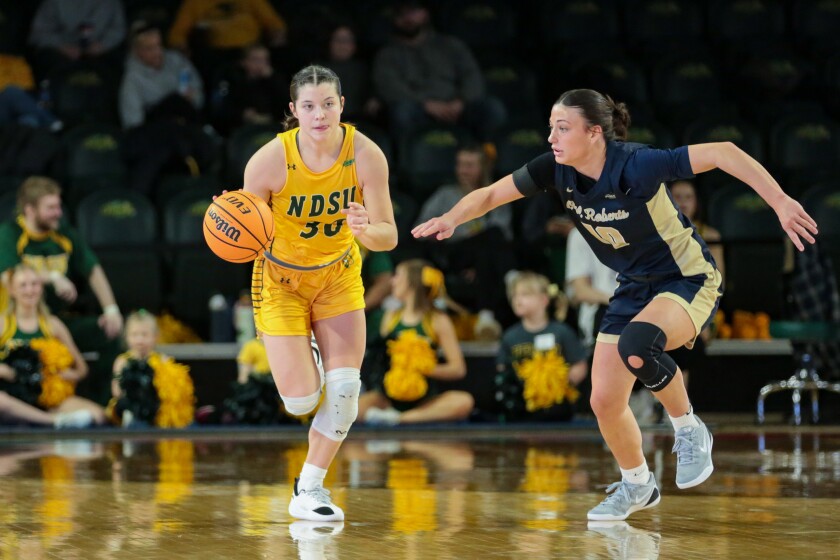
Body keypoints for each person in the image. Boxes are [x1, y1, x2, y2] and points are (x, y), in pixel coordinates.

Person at [413, 88, 818, 521]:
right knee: (604, 400)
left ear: (594, 133)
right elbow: (492, 195)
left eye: (562, 127)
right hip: (633, 286)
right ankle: (638, 484)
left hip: (686, 277)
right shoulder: (556, 169)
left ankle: (689, 428)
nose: (551, 136)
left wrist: (778, 201)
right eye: (550, 126)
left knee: (638, 344)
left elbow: (723, 151)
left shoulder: (637, 165)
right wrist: (452, 218)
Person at [240, 64, 397, 521]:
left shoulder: (366, 154)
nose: (320, 114)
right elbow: (246, 235)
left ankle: (309, 488)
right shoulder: (268, 161)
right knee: (302, 402)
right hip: (281, 282)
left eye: (328, 104)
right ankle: (304, 346)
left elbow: (388, 236)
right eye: (309, 106)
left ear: (342, 106)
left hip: (337, 276)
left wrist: (367, 230)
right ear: (294, 111)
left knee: (346, 390)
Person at [0, 177, 124, 405]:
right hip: (14, 324)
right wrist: (53, 277)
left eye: (59, 206)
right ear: (29, 209)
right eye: (51, 208)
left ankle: (106, 405)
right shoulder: (9, 234)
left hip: (55, 322)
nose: (58, 212)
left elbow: (92, 269)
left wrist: (111, 309)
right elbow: (11, 276)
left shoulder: (63, 233)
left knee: (109, 332)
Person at [414, 144, 517, 335]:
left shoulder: (497, 193)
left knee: (491, 241)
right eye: (460, 165)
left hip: (483, 258)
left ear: (483, 168)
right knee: (491, 236)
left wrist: (477, 261)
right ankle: (511, 277)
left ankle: (486, 316)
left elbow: (505, 236)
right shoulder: (445, 194)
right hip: (452, 252)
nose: (463, 170)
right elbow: (421, 228)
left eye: (469, 165)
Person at [372, 0, 506, 144]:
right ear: (394, 19)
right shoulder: (387, 54)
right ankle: (406, 161)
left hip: (457, 107)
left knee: (492, 108)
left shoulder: (451, 45)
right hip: (419, 109)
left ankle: (486, 159)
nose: (408, 18)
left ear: (425, 14)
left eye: (413, 12)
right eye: (401, 14)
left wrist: (461, 101)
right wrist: (427, 104)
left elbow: (471, 76)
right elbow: (390, 87)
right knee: (401, 112)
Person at [359, 259, 472, 425]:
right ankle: (392, 415)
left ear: (412, 282)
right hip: (389, 396)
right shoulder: (390, 317)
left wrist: (424, 367)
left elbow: (458, 369)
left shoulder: (437, 319)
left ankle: (400, 419)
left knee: (464, 401)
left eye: (398, 276)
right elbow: (380, 359)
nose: (393, 280)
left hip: (424, 399)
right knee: (351, 406)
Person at [0, 264, 105, 426]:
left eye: (34, 284)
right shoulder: (3, 324)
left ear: (41, 288)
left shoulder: (53, 325)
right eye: (23, 285)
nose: (30, 290)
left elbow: (82, 368)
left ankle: (49, 419)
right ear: (12, 290)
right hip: (12, 398)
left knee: (96, 415)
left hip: (47, 399)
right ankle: (53, 421)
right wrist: (6, 371)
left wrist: (68, 374)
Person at [496, 272, 588, 422]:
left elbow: (579, 364)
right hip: (520, 409)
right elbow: (501, 368)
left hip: (558, 409)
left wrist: (557, 384)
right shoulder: (510, 336)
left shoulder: (562, 332)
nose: (517, 300)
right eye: (514, 296)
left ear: (544, 300)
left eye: (525, 295)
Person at [110, 310, 194, 428]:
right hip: (130, 408)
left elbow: (172, 390)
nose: (140, 340)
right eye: (134, 335)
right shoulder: (122, 361)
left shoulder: (162, 361)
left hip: (157, 409)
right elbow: (116, 389)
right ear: (126, 337)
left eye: (144, 335)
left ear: (155, 337)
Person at [28, 0, 126, 79]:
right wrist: (62, 47)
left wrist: (103, 45)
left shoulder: (111, 2)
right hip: (61, 52)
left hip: (100, 52)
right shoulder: (53, 2)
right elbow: (40, 33)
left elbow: (118, 28)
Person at [212, 44, 289, 136]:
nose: (261, 64)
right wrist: (242, 115)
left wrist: (273, 79)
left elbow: (287, 104)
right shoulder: (232, 79)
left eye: (265, 60)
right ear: (244, 62)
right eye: (256, 60)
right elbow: (221, 108)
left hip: (272, 128)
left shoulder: (274, 80)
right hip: (240, 130)